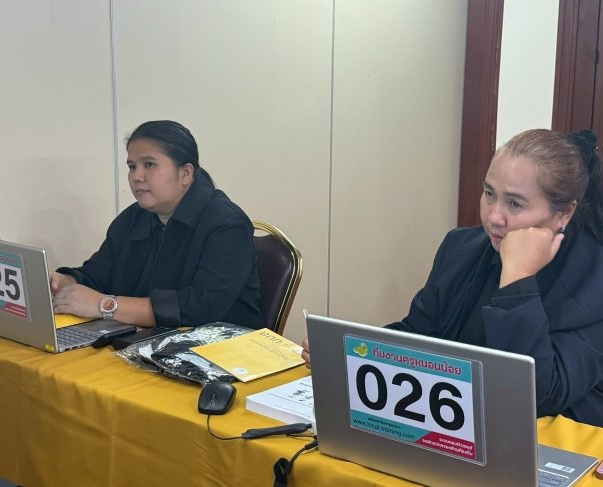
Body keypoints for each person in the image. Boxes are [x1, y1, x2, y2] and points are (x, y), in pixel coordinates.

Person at [302, 128, 603, 428]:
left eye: (514, 203)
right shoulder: (461, 247)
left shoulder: (593, 281)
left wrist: (517, 279)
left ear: (564, 214)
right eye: (489, 194)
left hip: (549, 442)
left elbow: (536, 395)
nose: (493, 217)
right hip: (452, 427)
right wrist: (350, 355)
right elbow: (418, 335)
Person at [50, 120, 264, 329]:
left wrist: (105, 305)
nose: (136, 176)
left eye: (149, 165)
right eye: (132, 166)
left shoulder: (227, 224)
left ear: (185, 173)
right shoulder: (133, 218)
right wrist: (64, 283)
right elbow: (99, 275)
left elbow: (201, 306)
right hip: (149, 339)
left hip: (223, 345)